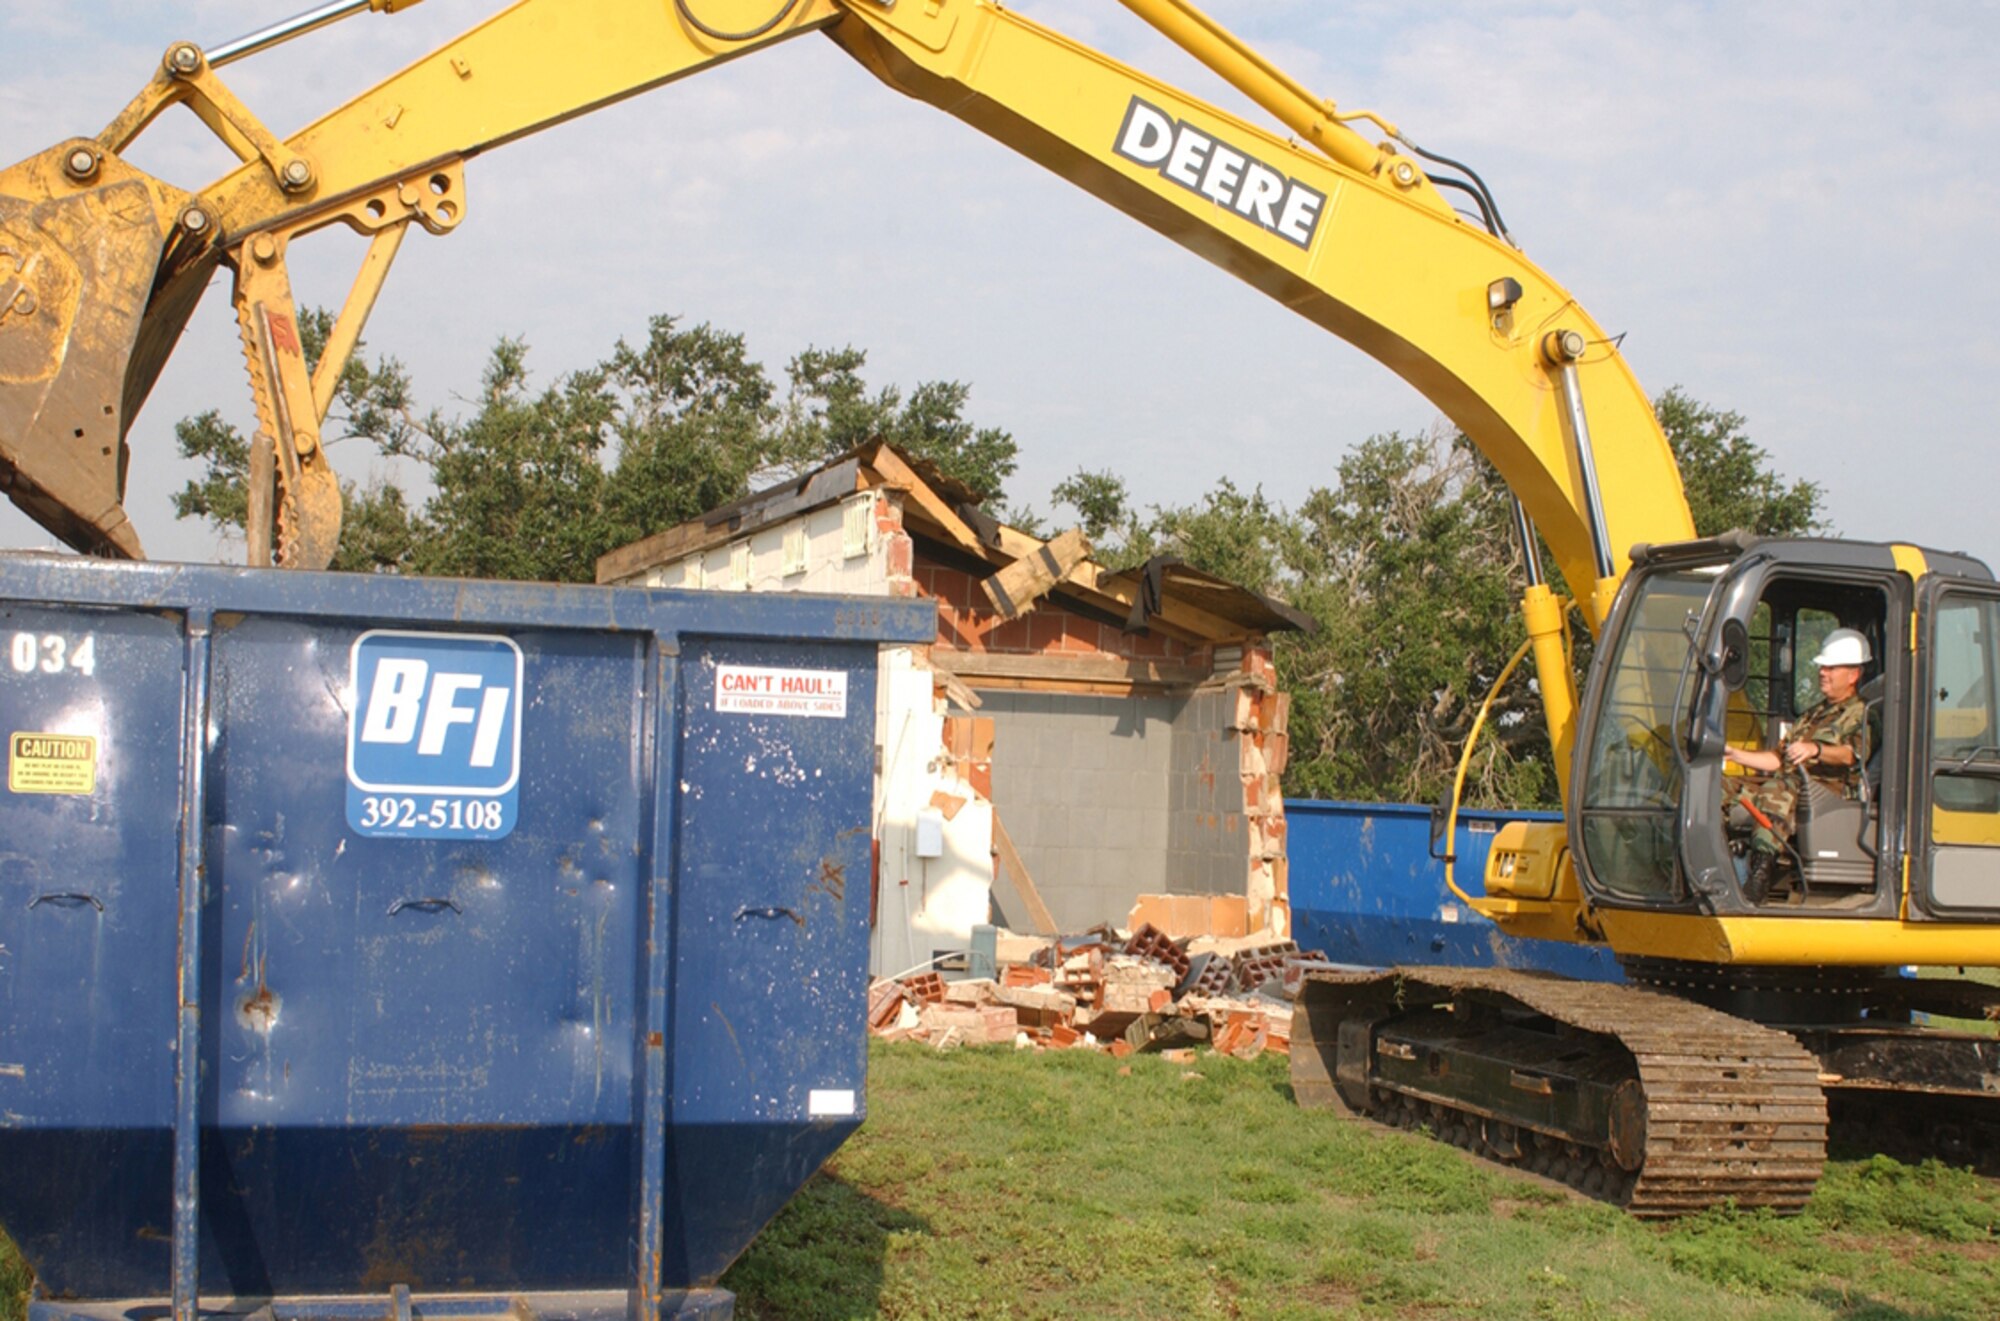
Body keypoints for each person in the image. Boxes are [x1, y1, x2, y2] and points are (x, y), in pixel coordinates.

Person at [1722, 628, 1872, 904]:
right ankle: (1718, 863)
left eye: (1830, 668)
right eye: (1822, 667)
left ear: (1853, 675)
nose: (1822, 673)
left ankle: (1760, 872)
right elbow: (1777, 759)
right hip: (1791, 782)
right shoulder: (1814, 714)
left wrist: (1816, 750)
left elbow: (1853, 755)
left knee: (1780, 786)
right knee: (1717, 785)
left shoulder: (1861, 713)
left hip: (1828, 792)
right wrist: (1736, 755)